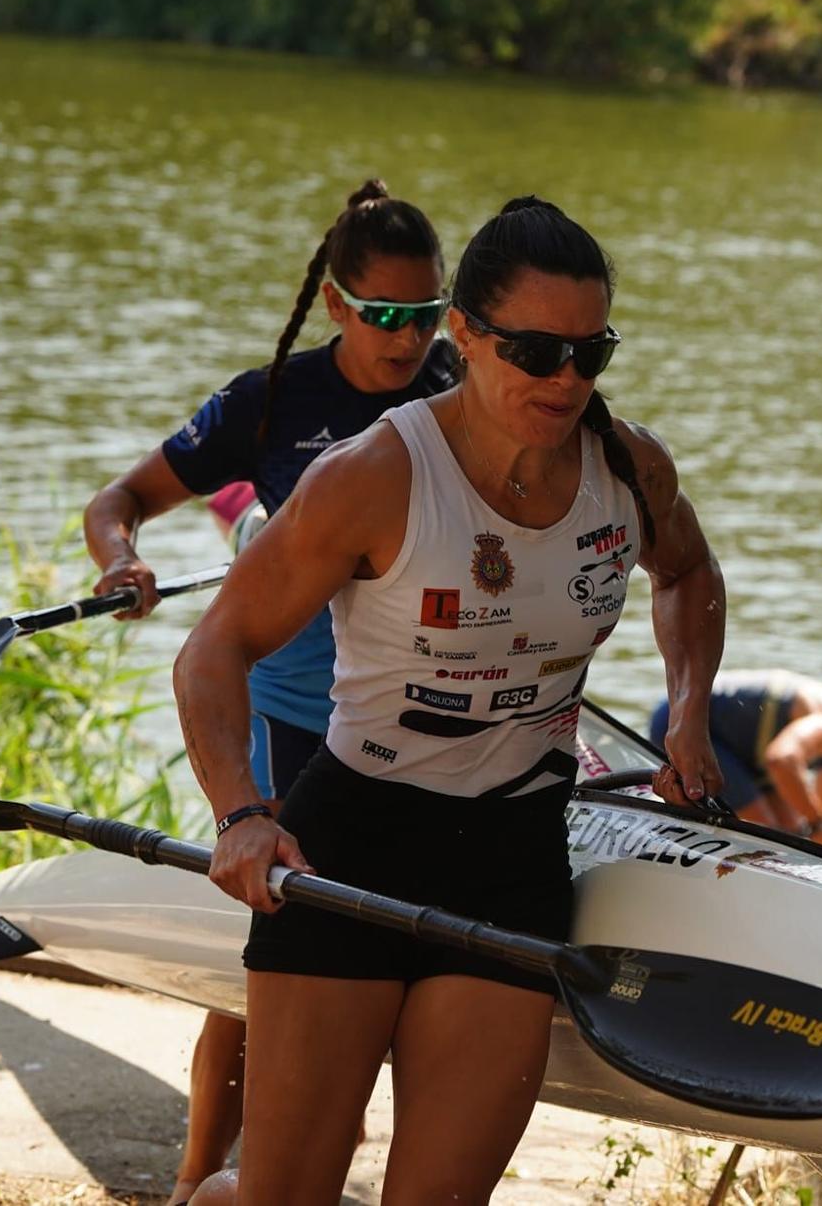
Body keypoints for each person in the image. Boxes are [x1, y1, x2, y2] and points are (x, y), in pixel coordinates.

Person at [174, 197, 726, 1205]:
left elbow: (686, 575)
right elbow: (216, 646)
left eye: (588, 352)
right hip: (346, 848)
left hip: (507, 859)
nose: (564, 379)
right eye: (533, 350)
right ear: (464, 333)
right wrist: (241, 812)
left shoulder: (627, 468)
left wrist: (686, 707)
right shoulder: (375, 475)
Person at [82, 180, 458, 1204]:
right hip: (299, 713)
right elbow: (117, 500)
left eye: (425, 314)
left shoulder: (468, 383)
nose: (406, 338)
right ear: (337, 305)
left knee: (393, 961)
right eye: (383, 315)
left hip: (426, 712)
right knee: (278, 967)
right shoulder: (270, 403)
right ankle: (201, 1177)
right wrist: (122, 561)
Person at [648, 670, 822, 845]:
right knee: (775, 835)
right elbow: (782, 759)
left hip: (736, 747)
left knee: (792, 832)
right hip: (683, 720)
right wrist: (817, 825)